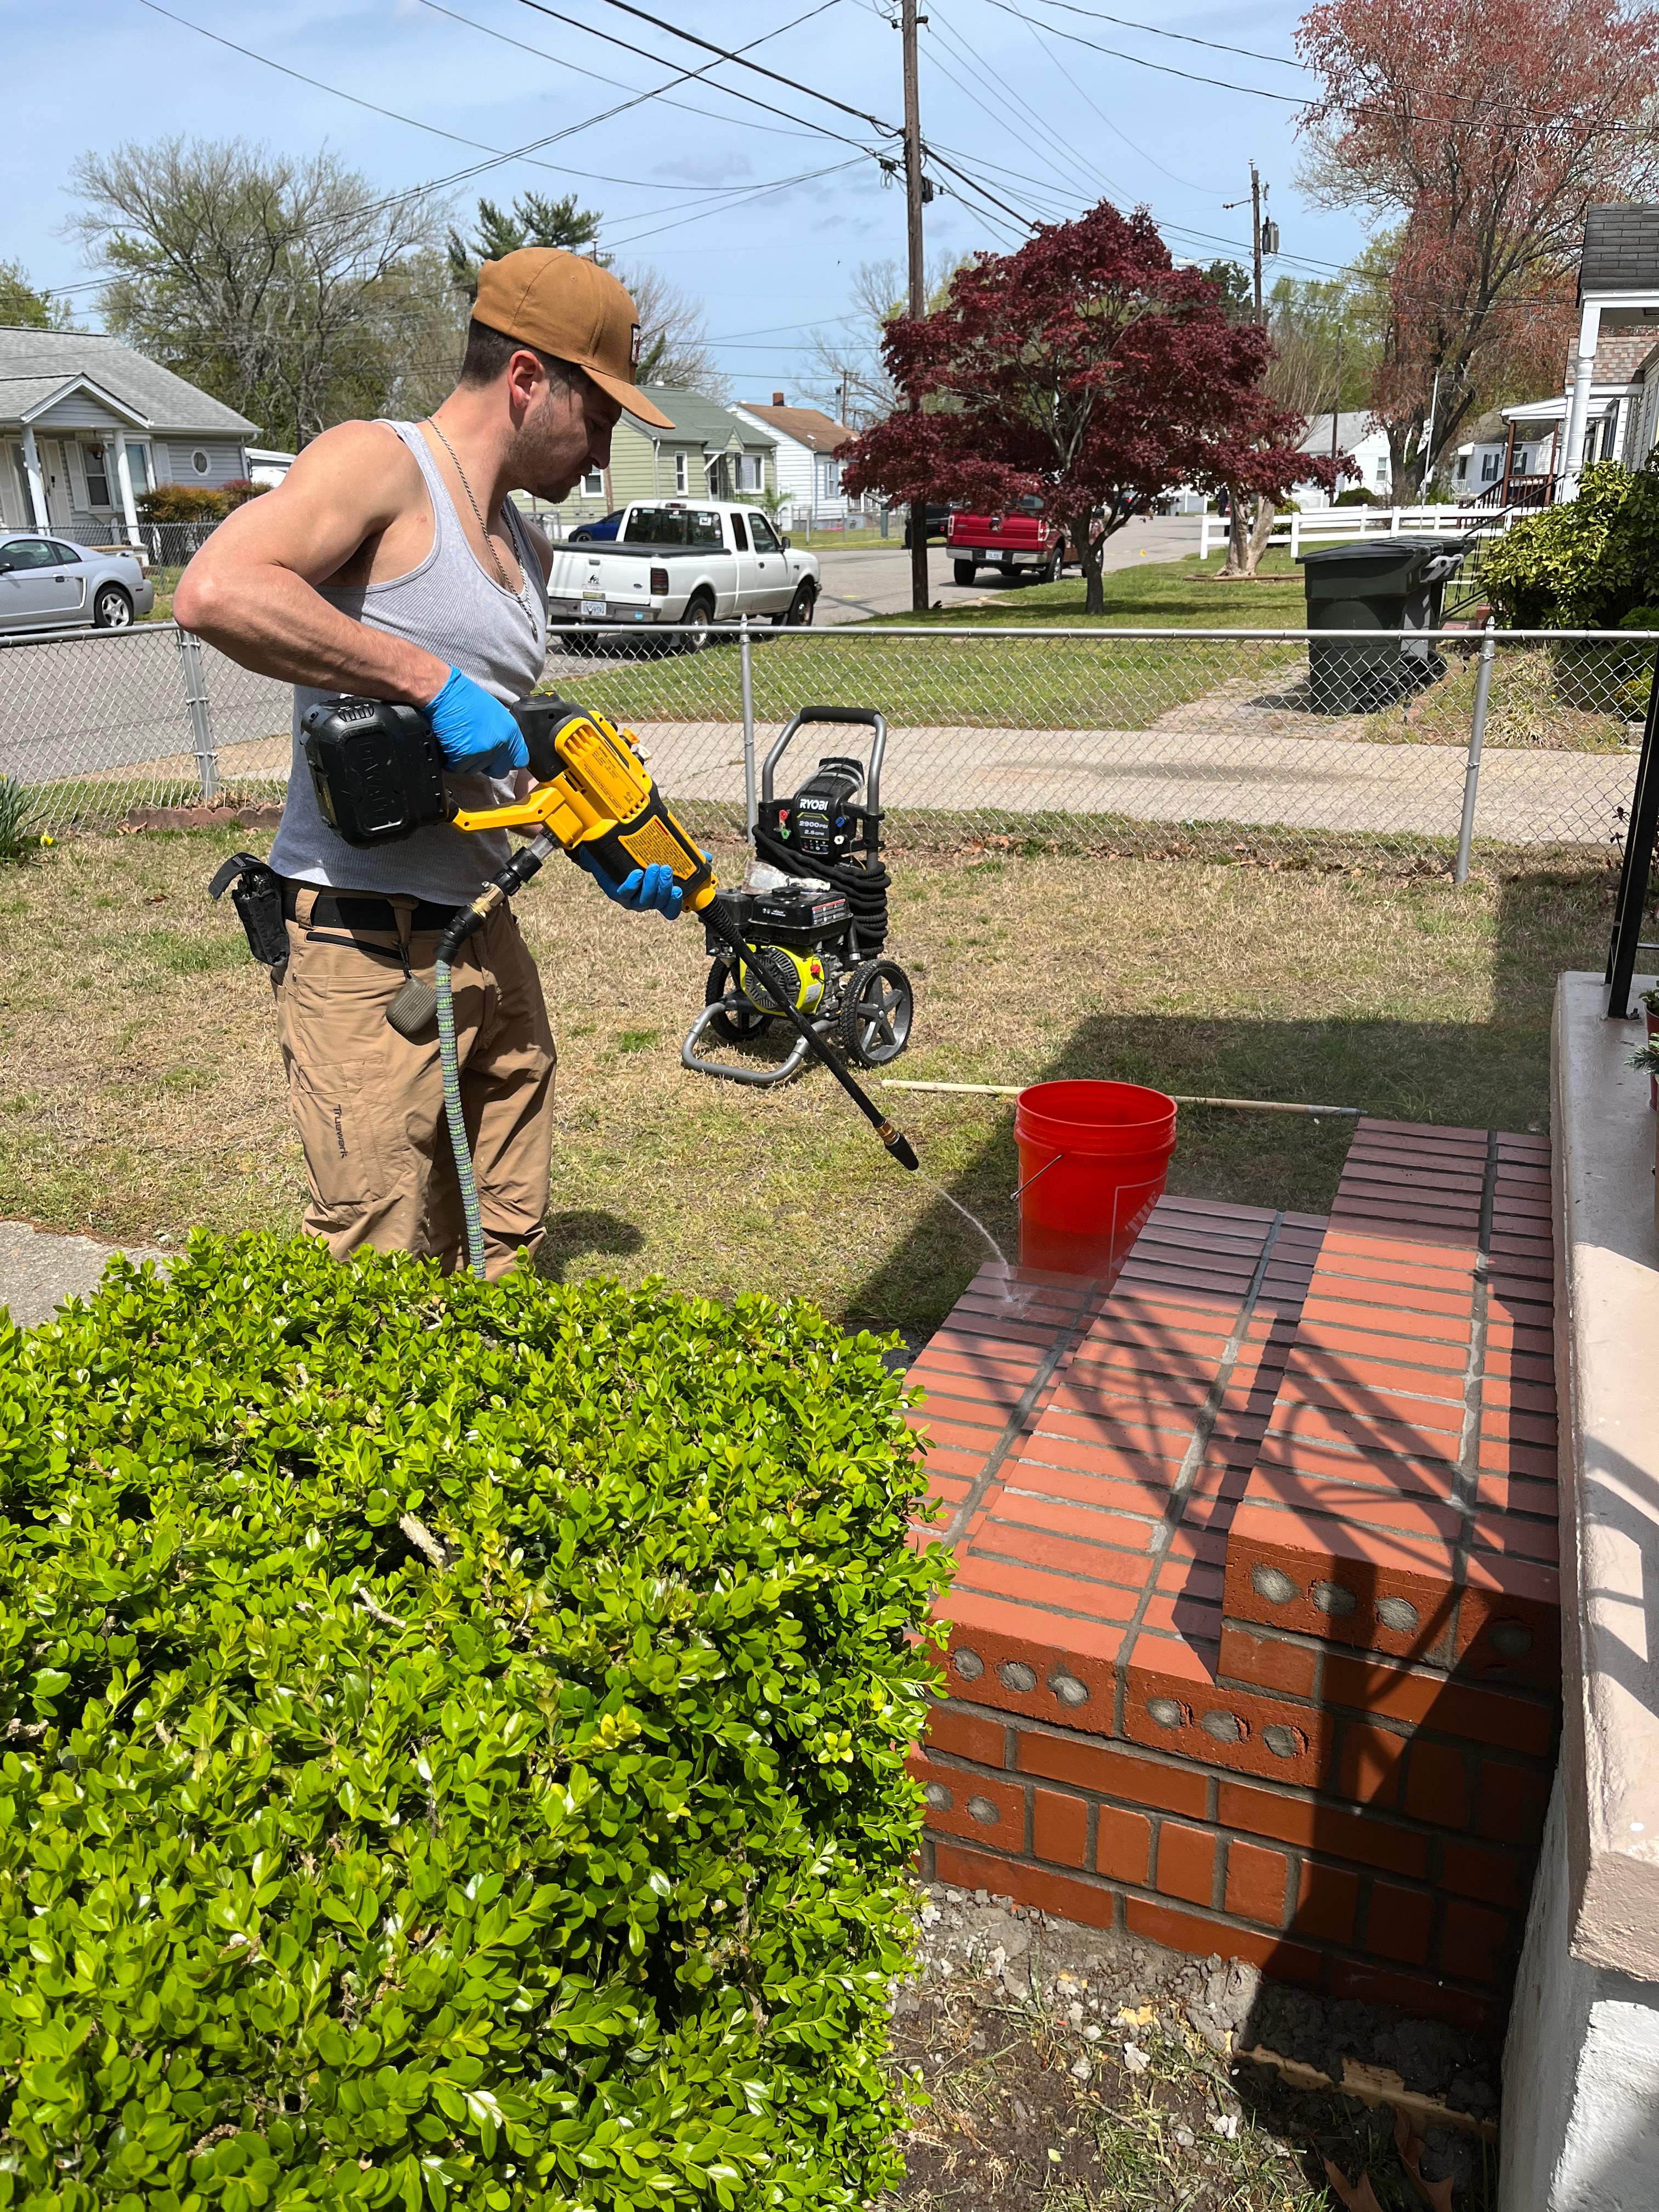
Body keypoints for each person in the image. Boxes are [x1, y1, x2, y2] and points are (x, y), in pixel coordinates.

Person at [173, 248, 679, 1281]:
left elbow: (492, 746)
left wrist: (588, 839)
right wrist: (424, 679)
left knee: (508, 1232)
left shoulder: (523, 546)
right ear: (529, 381)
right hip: (366, 948)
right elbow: (217, 591)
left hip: (484, 931)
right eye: (602, 416)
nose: (606, 448)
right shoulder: (381, 463)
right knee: (383, 1257)